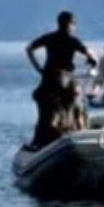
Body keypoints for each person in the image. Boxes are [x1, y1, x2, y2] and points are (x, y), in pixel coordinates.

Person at [26, 11, 96, 148]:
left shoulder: (50, 37)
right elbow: (90, 55)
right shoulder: (72, 40)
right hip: (63, 78)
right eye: (73, 24)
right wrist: (91, 61)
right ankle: (75, 133)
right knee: (74, 106)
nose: (74, 27)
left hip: (49, 77)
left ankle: (39, 140)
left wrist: (38, 67)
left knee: (46, 110)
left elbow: (29, 49)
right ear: (70, 25)